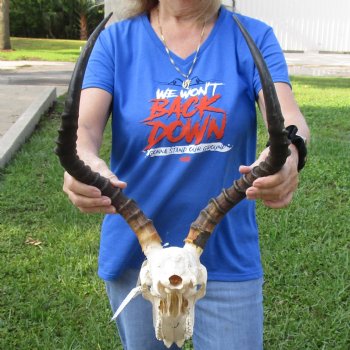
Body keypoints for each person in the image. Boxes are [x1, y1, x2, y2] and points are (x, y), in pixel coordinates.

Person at [62, 0, 310, 349]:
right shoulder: (115, 41)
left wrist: (291, 152)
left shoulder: (251, 36)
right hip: (137, 257)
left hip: (224, 255)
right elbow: (83, 129)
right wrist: (82, 162)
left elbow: (288, 118)